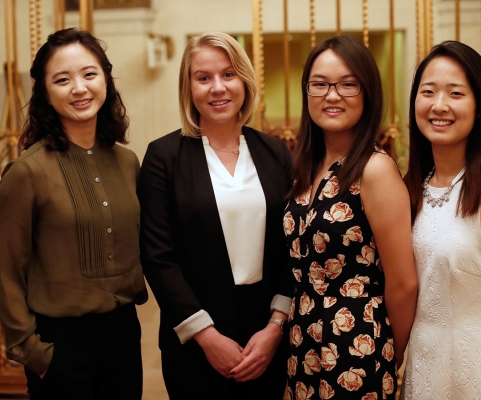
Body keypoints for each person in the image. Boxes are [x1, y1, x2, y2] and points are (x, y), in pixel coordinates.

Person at [137, 32, 292, 399]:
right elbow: (158, 258)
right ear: (188, 88)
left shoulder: (275, 152)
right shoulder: (164, 157)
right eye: (203, 78)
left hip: (266, 335)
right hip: (195, 337)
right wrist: (207, 337)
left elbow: (292, 245)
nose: (217, 88)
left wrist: (275, 327)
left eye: (228, 74)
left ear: (245, 81)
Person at [0, 28, 147, 400]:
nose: (79, 88)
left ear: (106, 81)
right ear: (46, 93)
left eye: (89, 74)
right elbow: (6, 271)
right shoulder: (25, 172)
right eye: (62, 79)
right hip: (59, 345)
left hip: (124, 338)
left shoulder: (128, 162)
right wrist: (32, 353)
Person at [282, 35, 418, 399]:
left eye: (347, 84)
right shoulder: (304, 166)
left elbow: (403, 283)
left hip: (357, 351)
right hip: (303, 344)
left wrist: (390, 352)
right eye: (320, 84)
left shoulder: (375, 170)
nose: (332, 95)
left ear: (367, 92)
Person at [401, 41, 481, 399]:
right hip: (425, 373)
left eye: (456, 93)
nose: (439, 105)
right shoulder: (409, 191)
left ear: (480, 106)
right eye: (428, 92)